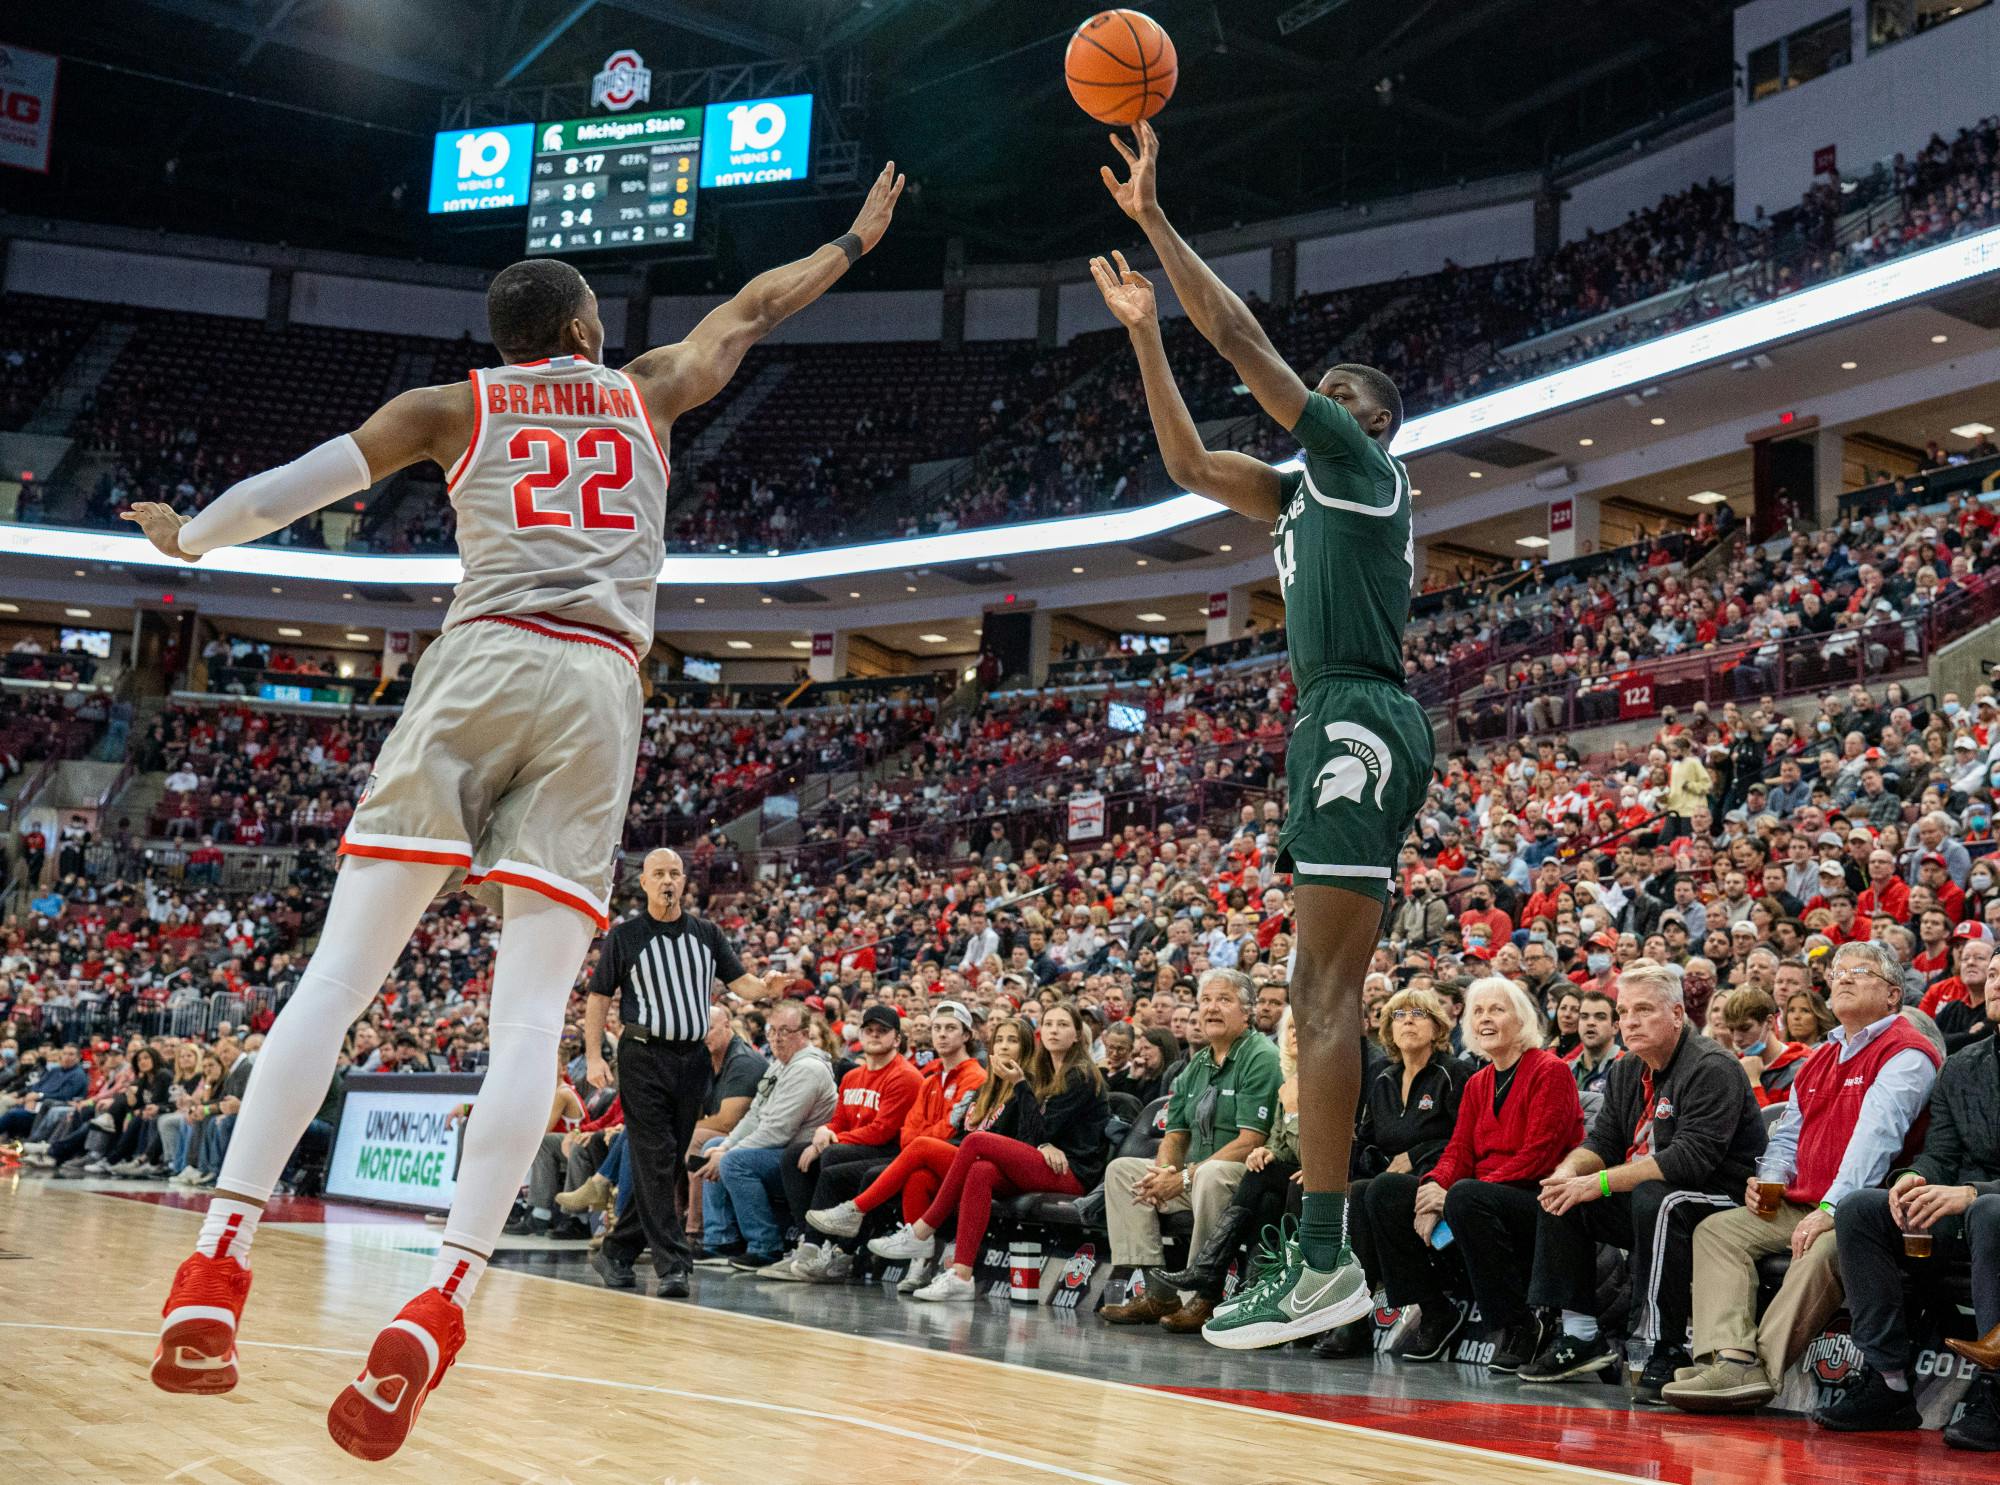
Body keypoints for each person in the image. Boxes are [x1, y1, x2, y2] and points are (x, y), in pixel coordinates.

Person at [128, 160, 903, 1461]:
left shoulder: (451, 403)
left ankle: (218, 1262)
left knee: (335, 980)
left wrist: (193, 536)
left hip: (483, 656)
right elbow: (754, 311)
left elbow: (303, 485)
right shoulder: (648, 390)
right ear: (593, 330)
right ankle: (448, 1294)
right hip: (602, 690)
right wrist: (854, 239)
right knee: (530, 1022)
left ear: (505, 341)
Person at [1095, 122, 1433, 1350]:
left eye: (1334, 405)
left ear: (1368, 427)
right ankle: (1322, 1247)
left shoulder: (1357, 470)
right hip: (1332, 715)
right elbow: (1188, 458)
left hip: (1357, 709)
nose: (1316, 414)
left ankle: (1329, 1255)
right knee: (1313, 994)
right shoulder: (1294, 493)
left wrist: (1154, 224)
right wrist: (1142, 333)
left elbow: (1241, 340)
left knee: (1323, 994)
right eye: (1319, 404)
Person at [1665, 940, 1943, 1414]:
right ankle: (1728, 1356)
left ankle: (1760, 1373)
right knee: (1718, 1231)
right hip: (1805, 1200)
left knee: (1822, 1250)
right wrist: (1767, 1179)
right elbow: (1788, 1136)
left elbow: (1874, 1141)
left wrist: (1831, 1211)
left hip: (1869, 1211)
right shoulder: (1819, 1056)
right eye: (1838, 971)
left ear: (1893, 994)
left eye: (1861, 971)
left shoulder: (1907, 1052)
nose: (1844, 977)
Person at [1517, 961, 1766, 1399]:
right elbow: (1605, 1140)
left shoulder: (1711, 1066)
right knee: (1561, 1195)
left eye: (1644, 1010)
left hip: (1723, 1196)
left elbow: (1690, 1160)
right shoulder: (1627, 1069)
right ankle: (1579, 1336)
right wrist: (1568, 1172)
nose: (1629, 1021)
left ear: (1676, 1014)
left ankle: (1661, 1346)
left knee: (1658, 1199)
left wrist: (1600, 1183)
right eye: (1624, 1011)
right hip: (1659, 1191)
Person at [1813, 950, 1999, 1446]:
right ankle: (1888, 1381)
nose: (1998, 983)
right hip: (1961, 1209)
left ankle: (1996, 1387)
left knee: (1990, 1210)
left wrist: (1971, 1192)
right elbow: (1940, 1153)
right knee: (1860, 1208)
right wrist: (1912, 1178)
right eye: (1995, 974)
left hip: (1985, 1208)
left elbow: (1972, 1193)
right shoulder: (1962, 1066)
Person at [586, 849, 788, 1296]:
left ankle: (617, 1251)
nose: (667, 881)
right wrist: (596, 1055)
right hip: (642, 1055)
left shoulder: (707, 934)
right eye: (658, 873)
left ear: (684, 881)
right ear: (643, 883)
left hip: (691, 1058)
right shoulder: (625, 937)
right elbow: (598, 997)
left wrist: (766, 988)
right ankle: (673, 1263)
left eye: (674, 873)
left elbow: (743, 985)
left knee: (666, 1158)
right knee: (656, 1153)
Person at [1396, 978, 1585, 1371]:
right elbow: (1459, 1150)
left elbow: (1540, 1156)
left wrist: (1457, 1194)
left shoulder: (1550, 1071)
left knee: (1465, 1195)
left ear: (1521, 1019)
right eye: (1478, 1011)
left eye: (1496, 1010)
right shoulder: (1478, 1081)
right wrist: (1433, 1188)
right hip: (1477, 1198)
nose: (1485, 1018)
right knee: (1382, 1192)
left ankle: (1518, 1324)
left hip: (1536, 1200)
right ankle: (1435, 1310)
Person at [868, 1001, 1107, 1301]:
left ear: (1077, 1035)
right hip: (1043, 1162)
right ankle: (962, 1276)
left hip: (1071, 1172)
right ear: (1040, 1032)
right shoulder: (1042, 1074)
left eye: (1062, 1025)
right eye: (1048, 1024)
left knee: (976, 1142)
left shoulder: (1080, 1074)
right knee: (982, 1171)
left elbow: (1046, 1131)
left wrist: (1022, 1091)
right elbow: (1030, 1134)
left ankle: (922, 1230)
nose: (1054, 1031)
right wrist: (1041, 1139)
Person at [1099, 969, 1282, 1333]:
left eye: (1224, 1000)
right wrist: (1167, 1172)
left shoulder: (1261, 1055)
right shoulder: (1193, 1066)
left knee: (1210, 1177)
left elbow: (1251, 1139)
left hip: (1245, 1173)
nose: (1212, 1008)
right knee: (1122, 1171)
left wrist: (1183, 1176)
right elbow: (1175, 1135)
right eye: (1206, 1000)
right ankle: (1159, 1292)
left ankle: (1205, 1293)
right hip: (1194, 1173)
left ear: (1247, 1013)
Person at [806, 1012, 1017, 1296]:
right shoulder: (934, 1079)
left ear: (967, 1035)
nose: (942, 1034)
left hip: (980, 1161)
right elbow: (909, 1131)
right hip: (944, 1156)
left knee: (904, 1156)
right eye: (937, 1028)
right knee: (915, 1175)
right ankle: (920, 1262)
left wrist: (924, 1143)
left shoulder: (978, 1078)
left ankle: (854, 1213)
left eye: (950, 1028)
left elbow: (949, 1131)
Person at [1324, 986, 1472, 1360]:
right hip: (1389, 1183)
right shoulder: (1382, 1077)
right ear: (1388, 1030)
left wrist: (1416, 1153)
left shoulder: (1455, 1073)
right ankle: (1353, 1318)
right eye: (1398, 1015)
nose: (1407, 1021)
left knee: (1379, 1190)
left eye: (1418, 1014)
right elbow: (1369, 1140)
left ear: (1438, 1027)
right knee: (1357, 1190)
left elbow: (1465, 1138)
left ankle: (1436, 1308)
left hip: (1438, 1179)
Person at [1159, 1007, 1303, 1318]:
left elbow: (1312, 1154)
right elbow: (1281, 1145)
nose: (1295, 1035)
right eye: (1290, 1028)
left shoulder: (1324, 1083)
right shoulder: (1291, 1080)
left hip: (1319, 1176)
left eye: (1302, 1029)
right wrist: (1268, 1153)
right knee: (1263, 1192)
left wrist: (1291, 1114)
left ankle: (1209, 1273)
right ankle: (1249, 1295)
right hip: (1284, 1175)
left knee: (1254, 1179)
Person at [766, 1003, 923, 1283]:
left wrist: (827, 1140)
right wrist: (826, 1130)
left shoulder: (906, 1076)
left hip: (890, 1151)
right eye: (869, 1030)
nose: (874, 1036)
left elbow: (882, 1131)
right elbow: (839, 1120)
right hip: (854, 1146)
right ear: (860, 1035)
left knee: (831, 1155)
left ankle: (827, 1247)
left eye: (882, 1031)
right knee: (793, 1156)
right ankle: (810, 1243)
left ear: (897, 1039)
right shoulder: (852, 1076)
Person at [694, 999, 837, 1270]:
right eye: (772, 1030)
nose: (776, 1038)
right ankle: (721, 1239)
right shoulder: (780, 1065)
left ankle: (765, 1246)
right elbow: (754, 1116)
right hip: (778, 1150)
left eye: (785, 1031)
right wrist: (725, 1146)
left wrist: (728, 1154)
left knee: (733, 1162)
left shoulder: (808, 1068)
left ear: (805, 1034)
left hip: (799, 1157)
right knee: (713, 1145)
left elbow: (777, 1131)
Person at [1718, 987, 1810, 1106]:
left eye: (1745, 1028)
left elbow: (1772, 1123)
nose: (1737, 1038)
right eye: (1731, 1030)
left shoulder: (1802, 1069)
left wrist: (1753, 1082)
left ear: (1770, 1022)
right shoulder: (1734, 1065)